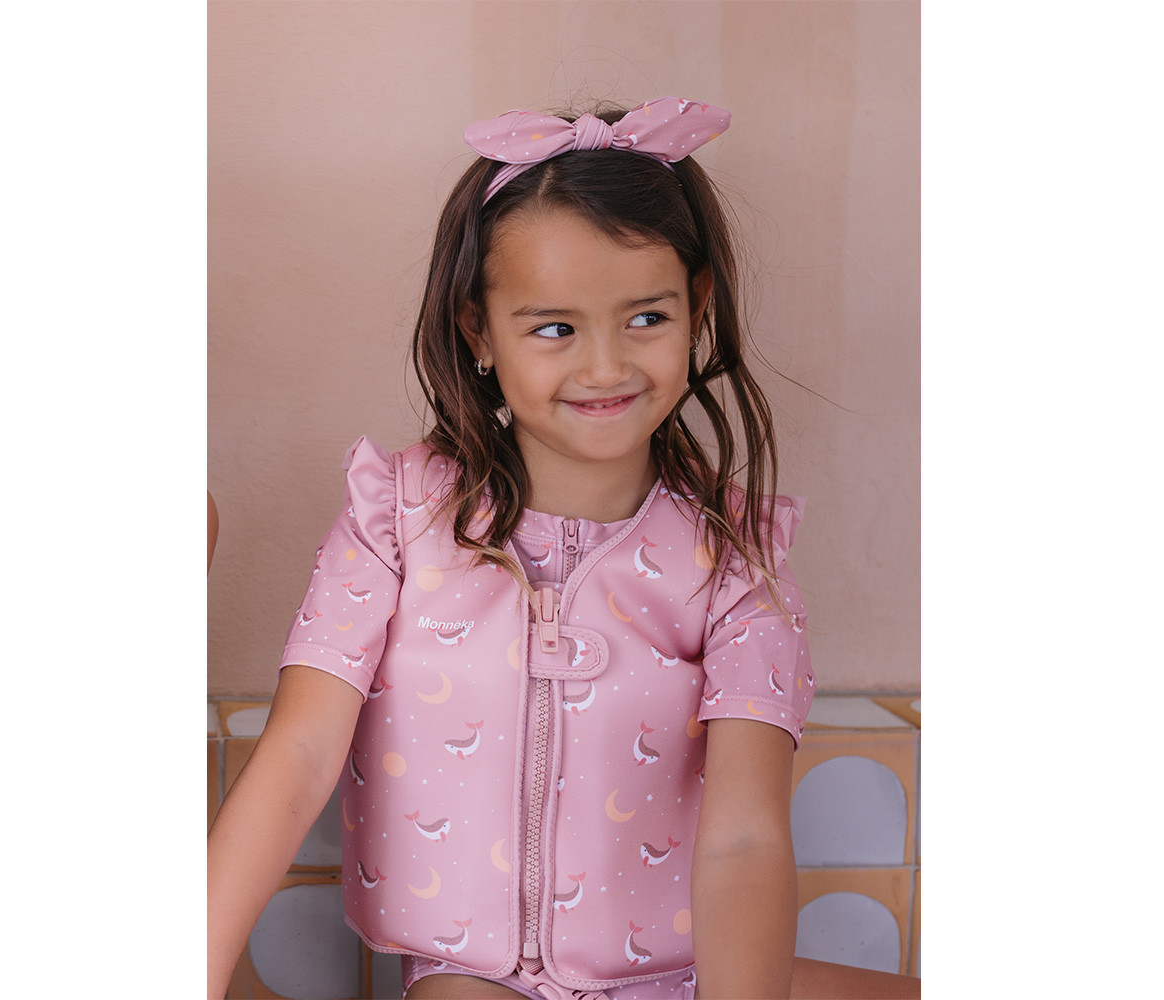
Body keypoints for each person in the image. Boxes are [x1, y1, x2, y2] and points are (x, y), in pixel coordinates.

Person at [208, 97, 919, 1000]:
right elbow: (299, 756)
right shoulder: (394, 522)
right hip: (477, 982)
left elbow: (744, 839)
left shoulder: (737, 562)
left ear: (697, 306)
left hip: (688, 978)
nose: (605, 366)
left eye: (646, 318)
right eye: (554, 328)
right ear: (479, 330)